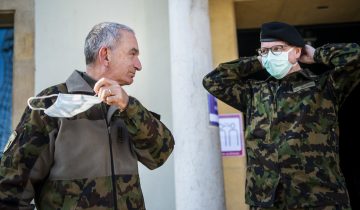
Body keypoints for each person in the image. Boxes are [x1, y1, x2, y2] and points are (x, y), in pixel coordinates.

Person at [0, 22, 175, 210]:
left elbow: (160, 154)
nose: (138, 65)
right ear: (105, 55)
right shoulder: (51, 106)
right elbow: (8, 191)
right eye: (133, 54)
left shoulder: (126, 108)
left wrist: (129, 107)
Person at [203, 21, 360, 210]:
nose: (270, 55)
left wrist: (317, 54)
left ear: (296, 52)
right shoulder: (255, 93)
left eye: (277, 49)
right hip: (266, 200)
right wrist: (259, 60)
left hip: (318, 199)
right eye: (264, 51)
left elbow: (355, 57)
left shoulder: (324, 87)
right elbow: (213, 80)